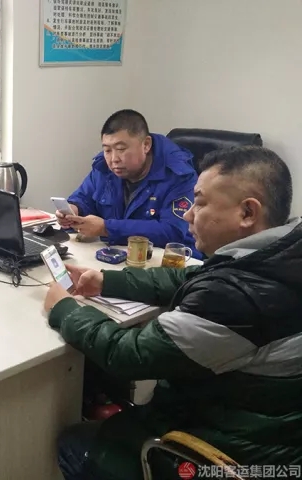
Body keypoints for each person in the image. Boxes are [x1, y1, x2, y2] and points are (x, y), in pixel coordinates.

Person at [44, 146, 302, 479]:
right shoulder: (278, 256)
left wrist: (64, 309)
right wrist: (106, 280)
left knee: (73, 443)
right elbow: (189, 277)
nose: (188, 215)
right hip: (273, 432)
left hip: (226, 453)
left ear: (247, 213)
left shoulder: (234, 296)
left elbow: (129, 355)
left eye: (201, 203)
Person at [58, 109, 200, 257]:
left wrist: (106, 228)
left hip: (170, 260)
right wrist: (73, 210)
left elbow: (172, 231)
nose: (114, 159)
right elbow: (84, 198)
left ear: (146, 145)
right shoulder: (104, 168)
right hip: (117, 253)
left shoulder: (179, 175)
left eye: (121, 149)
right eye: (107, 150)